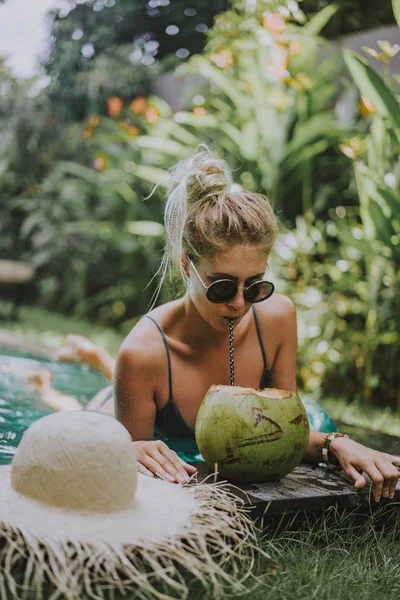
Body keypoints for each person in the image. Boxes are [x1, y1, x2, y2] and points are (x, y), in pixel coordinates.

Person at [63, 149, 400, 502]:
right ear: (184, 267)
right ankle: (94, 358)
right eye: (222, 286)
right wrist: (131, 448)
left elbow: (289, 433)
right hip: (150, 412)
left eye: (255, 286)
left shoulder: (277, 316)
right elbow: (132, 452)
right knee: (77, 411)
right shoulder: (142, 353)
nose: (239, 303)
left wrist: (339, 445)